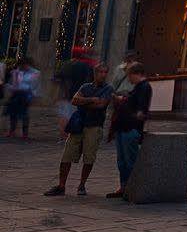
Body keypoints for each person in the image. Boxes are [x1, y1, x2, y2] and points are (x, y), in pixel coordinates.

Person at [47, 61, 113, 196]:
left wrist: (85, 101)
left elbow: (101, 105)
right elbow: (74, 100)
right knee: (67, 154)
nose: (103, 75)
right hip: (79, 124)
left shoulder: (108, 88)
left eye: (105, 72)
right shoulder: (85, 86)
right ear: (95, 73)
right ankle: (61, 185)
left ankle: (82, 185)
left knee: (89, 157)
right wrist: (91, 100)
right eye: (100, 72)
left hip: (94, 125)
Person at [104, 61, 153, 199]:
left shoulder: (144, 87)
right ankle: (124, 186)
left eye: (129, 76)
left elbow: (141, 110)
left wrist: (130, 112)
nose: (129, 79)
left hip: (130, 128)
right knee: (122, 160)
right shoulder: (137, 87)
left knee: (130, 160)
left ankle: (133, 188)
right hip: (123, 127)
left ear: (136, 74)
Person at [5, 55, 39, 139]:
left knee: (24, 115)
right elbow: (11, 83)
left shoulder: (34, 73)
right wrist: (11, 87)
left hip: (26, 94)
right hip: (16, 93)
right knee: (13, 113)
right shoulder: (16, 72)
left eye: (25, 65)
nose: (23, 67)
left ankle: (25, 133)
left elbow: (35, 85)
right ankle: (12, 131)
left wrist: (33, 96)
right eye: (22, 65)